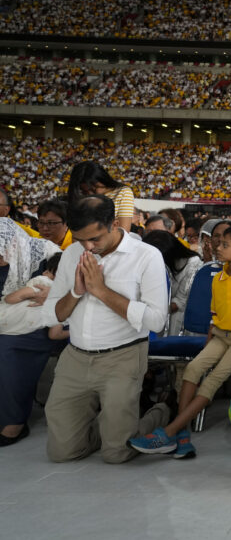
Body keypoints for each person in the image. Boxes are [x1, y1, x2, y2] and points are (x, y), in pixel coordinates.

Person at [41, 196, 171, 464]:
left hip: (122, 356)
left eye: (95, 239)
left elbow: (157, 321)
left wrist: (100, 291)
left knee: (117, 453)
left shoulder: (146, 256)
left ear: (113, 223)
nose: (88, 247)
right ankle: (110, 428)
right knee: (62, 453)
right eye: (80, 239)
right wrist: (77, 292)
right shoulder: (71, 254)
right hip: (75, 357)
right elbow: (54, 314)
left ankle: (162, 411)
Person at [132, 226, 231, 459]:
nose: (217, 248)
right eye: (218, 243)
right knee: (193, 368)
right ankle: (182, 436)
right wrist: (208, 345)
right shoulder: (218, 277)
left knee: (211, 382)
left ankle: (171, 431)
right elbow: (214, 317)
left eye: (224, 245)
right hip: (220, 336)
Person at [0, 221, 62, 447]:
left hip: (38, 324)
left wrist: (54, 298)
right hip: (8, 318)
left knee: (6, 350)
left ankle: (13, 421)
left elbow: (72, 284)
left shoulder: (45, 254)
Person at [141, 231, 202, 336]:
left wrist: (151, 311)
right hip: (152, 313)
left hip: (176, 319)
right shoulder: (146, 261)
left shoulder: (192, 263)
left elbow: (181, 301)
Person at [67, 161, 135, 232]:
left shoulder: (123, 193)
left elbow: (123, 231)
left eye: (93, 189)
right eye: (84, 191)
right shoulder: (80, 197)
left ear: (103, 180)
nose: (90, 194)